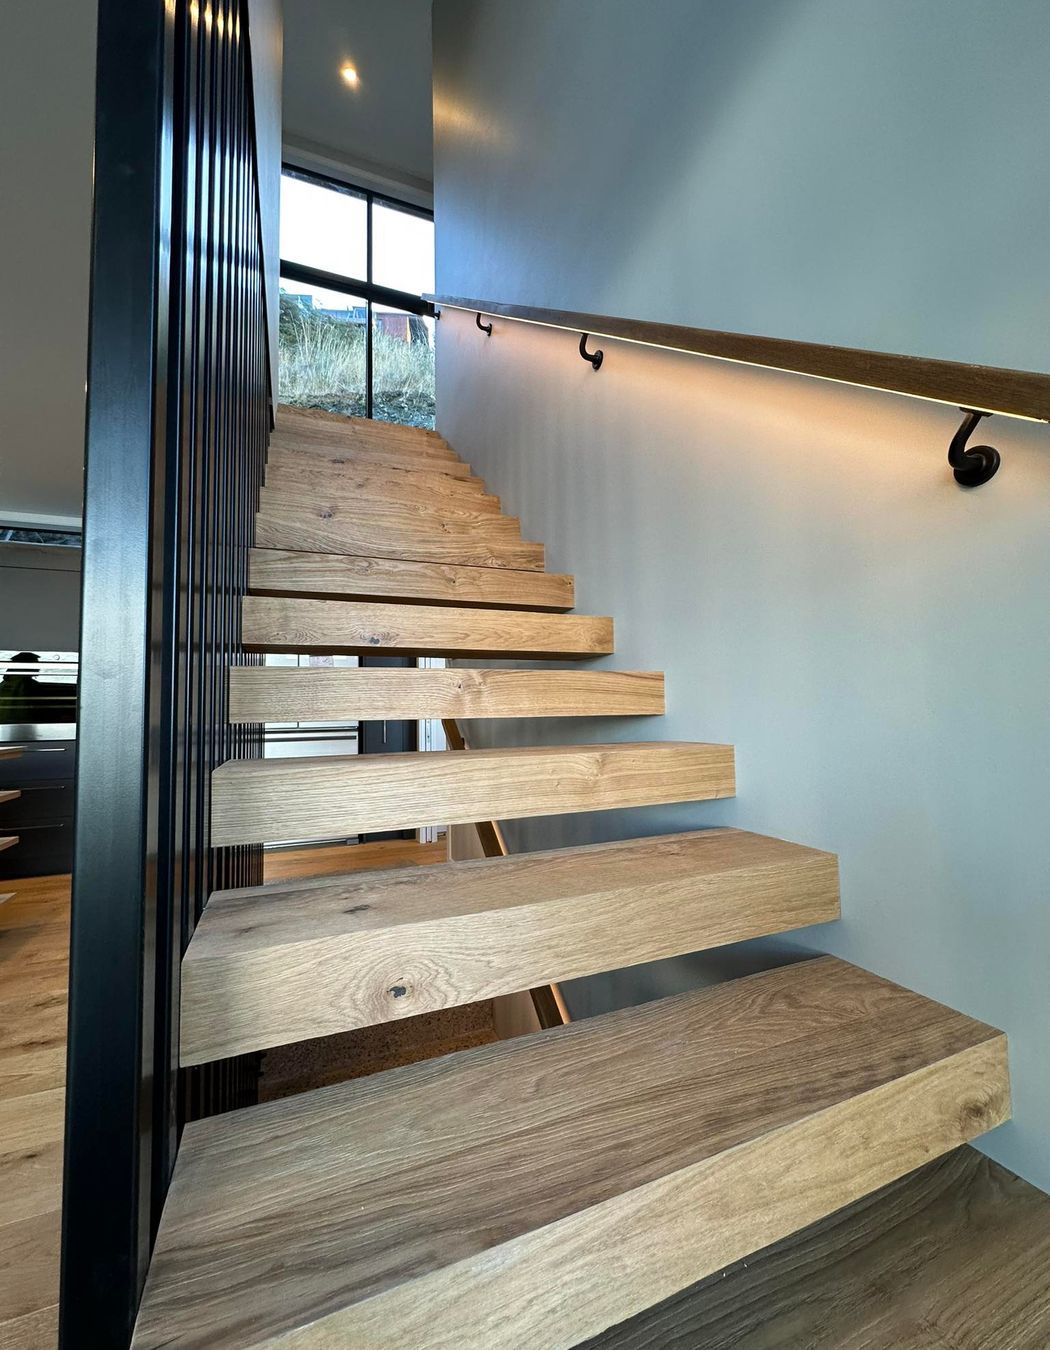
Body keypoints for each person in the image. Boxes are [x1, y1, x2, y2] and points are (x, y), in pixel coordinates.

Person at [0, 653, 72, 724]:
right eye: (36, 664)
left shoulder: (4, 684)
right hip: (24, 724)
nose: (38, 667)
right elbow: (44, 709)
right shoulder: (29, 685)